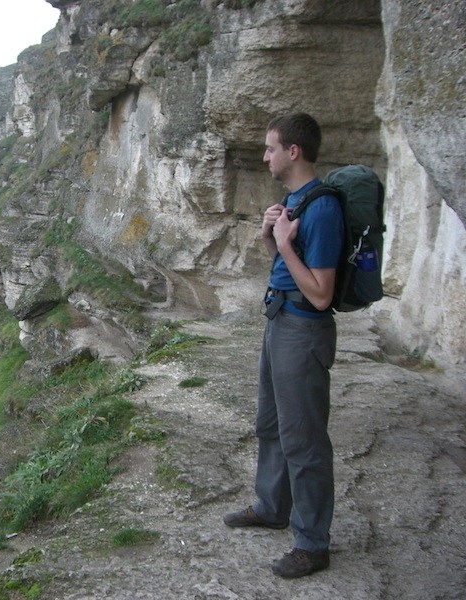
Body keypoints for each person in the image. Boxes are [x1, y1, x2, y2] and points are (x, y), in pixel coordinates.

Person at [223, 112, 344, 579]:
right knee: (270, 423)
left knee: (305, 438)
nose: (265, 156)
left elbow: (320, 293)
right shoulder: (296, 201)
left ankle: (312, 543)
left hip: (303, 330)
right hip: (279, 321)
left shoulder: (324, 207)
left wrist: (285, 246)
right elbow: (289, 269)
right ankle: (273, 505)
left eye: (271, 148)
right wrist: (272, 242)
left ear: (293, 152)